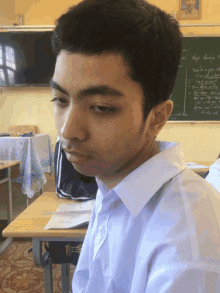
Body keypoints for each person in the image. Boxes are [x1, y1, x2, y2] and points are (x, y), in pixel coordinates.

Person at [50, 0, 220, 292]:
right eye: (61, 100)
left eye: (101, 108)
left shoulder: (185, 251)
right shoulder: (115, 181)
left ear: (156, 118)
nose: (68, 130)